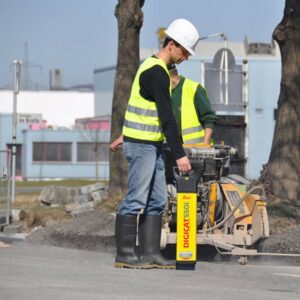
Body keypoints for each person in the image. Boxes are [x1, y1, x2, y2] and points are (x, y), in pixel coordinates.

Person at [112, 19, 199, 269]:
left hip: (152, 145)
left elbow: (140, 111)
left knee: (158, 199)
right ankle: (125, 254)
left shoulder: (156, 70)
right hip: (143, 147)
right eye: (184, 51)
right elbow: (166, 117)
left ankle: (150, 254)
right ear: (171, 45)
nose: (185, 57)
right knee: (136, 198)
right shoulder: (155, 72)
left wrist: (125, 135)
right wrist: (181, 155)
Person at [168, 63, 217, 145]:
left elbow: (209, 119)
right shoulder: (164, 92)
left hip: (195, 151)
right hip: (171, 149)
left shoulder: (193, 88)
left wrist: (204, 148)